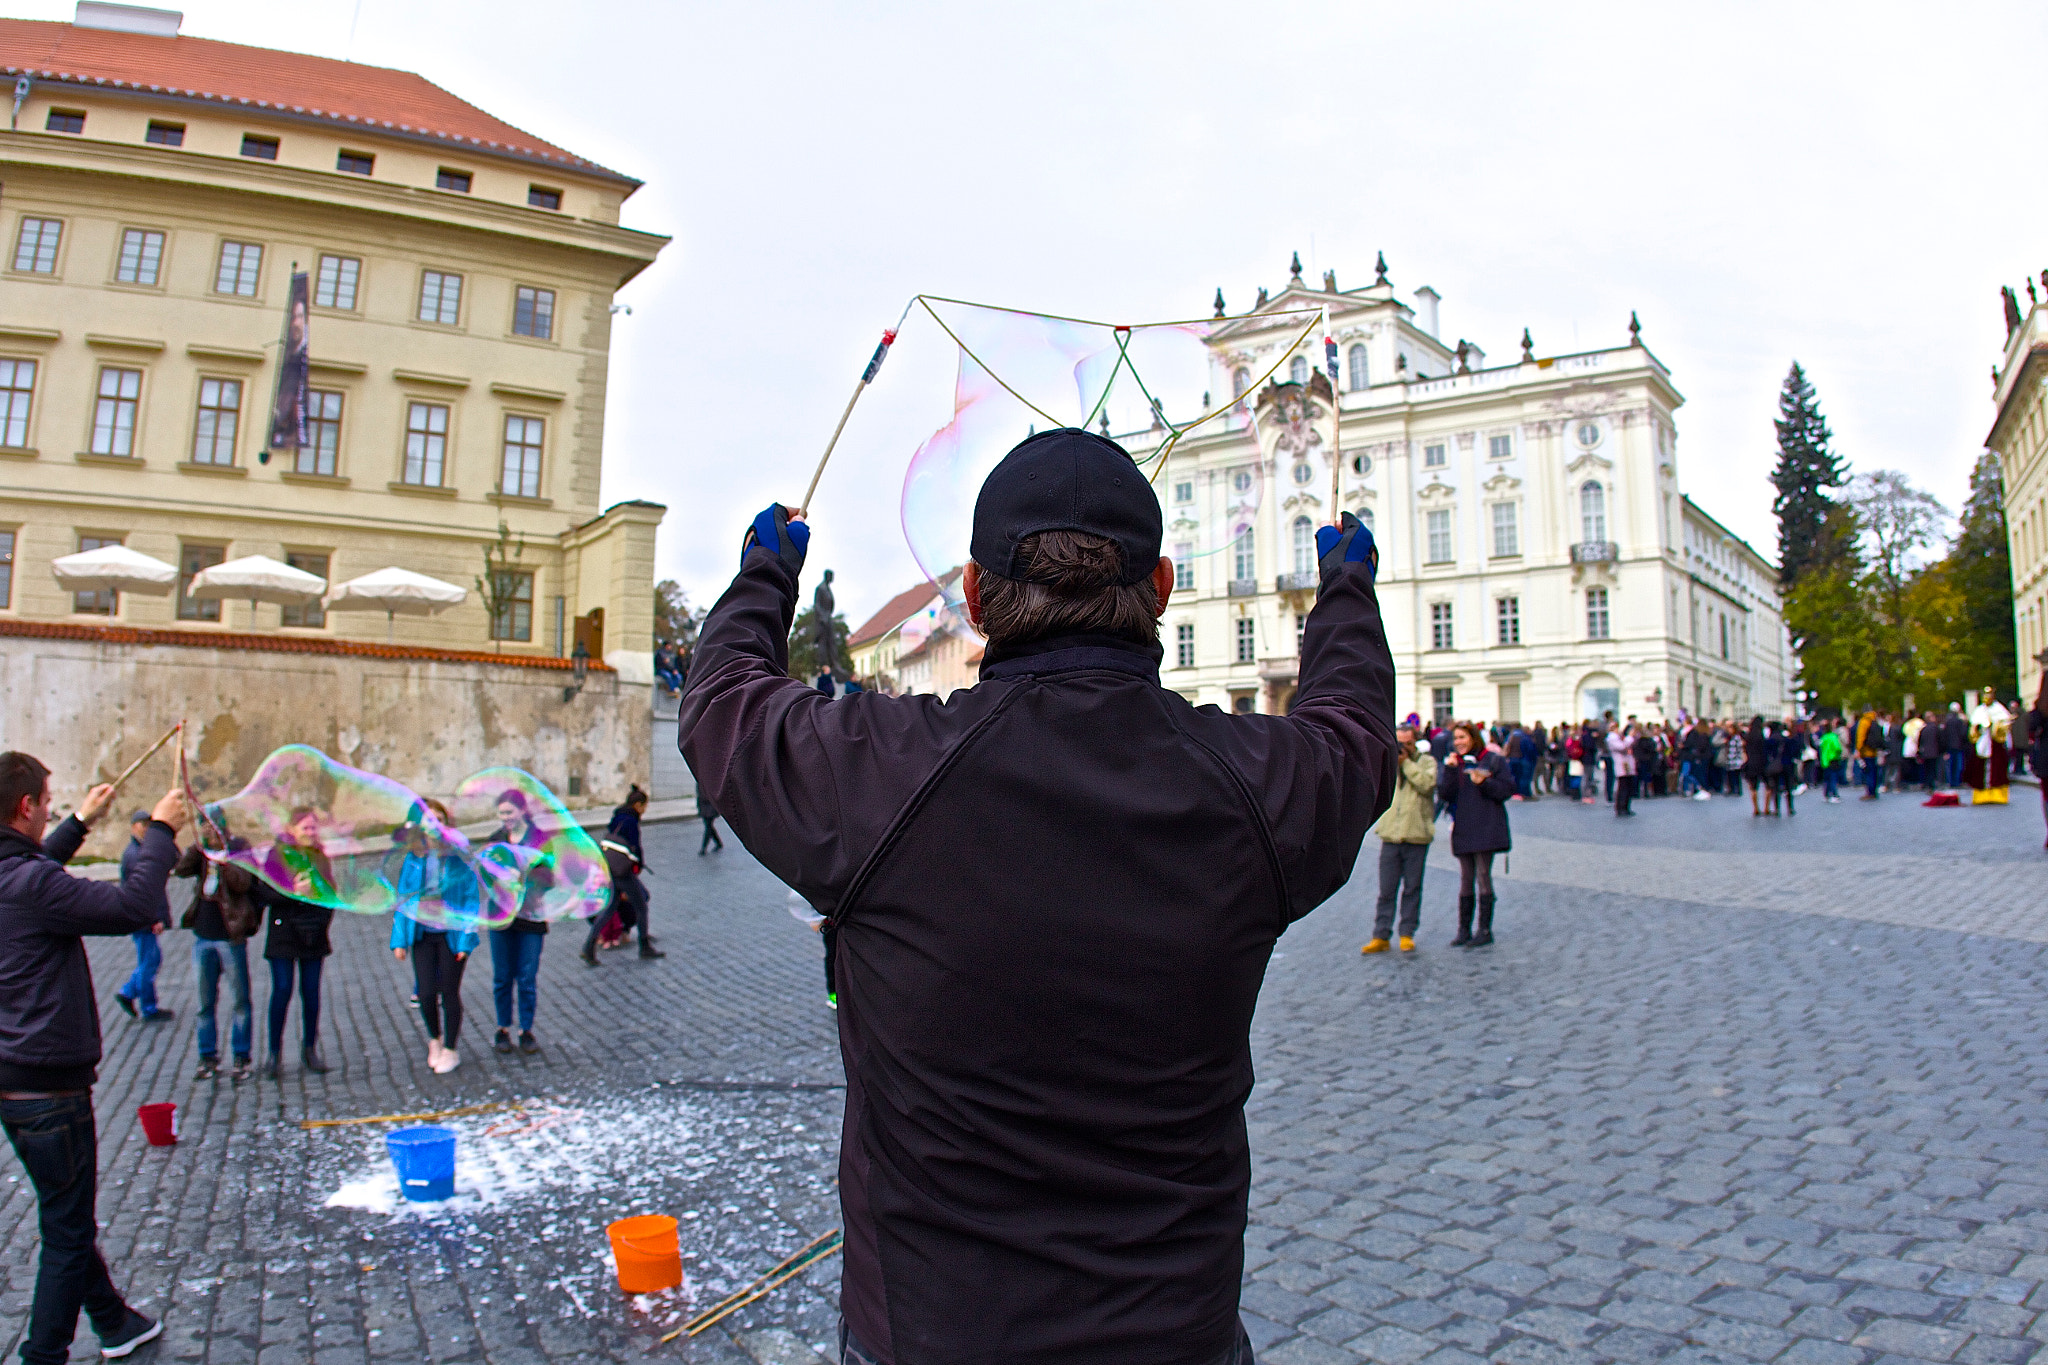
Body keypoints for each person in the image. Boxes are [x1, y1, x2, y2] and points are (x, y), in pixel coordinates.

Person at [678, 428, 1395, 1364]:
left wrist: (762, 577)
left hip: (934, 1331)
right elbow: (1352, 732)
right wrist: (1344, 594)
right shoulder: (1250, 785)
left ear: (974, 599)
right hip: (1170, 1331)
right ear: (1162, 590)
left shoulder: (883, 774)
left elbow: (724, 704)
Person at [0, 752, 185, 1363]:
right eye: (49, 800)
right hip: (47, 1086)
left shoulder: (13, 875)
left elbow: (31, 870)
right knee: (68, 1229)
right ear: (26, 806)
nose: (50, 807)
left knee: (65, 1210)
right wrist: (161, 831)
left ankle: (115, 1322)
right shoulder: (27, 885)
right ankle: (43, 1354)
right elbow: (134, 907)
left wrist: (80, 820)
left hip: (12, 1078)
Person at [385, 801, 479, 1074]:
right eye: (429, 820)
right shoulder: (414, 859)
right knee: (426, 993)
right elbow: (403, 899)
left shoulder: (457, 858)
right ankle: (434, 1041)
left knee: (449, 992)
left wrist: (465, 940)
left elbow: (471, 900)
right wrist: (399, 940)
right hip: (423, 934)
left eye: (439, 819)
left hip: (451, 934)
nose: (434, 825)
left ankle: (451, 1049)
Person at [173, 821, 256, 1082]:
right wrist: (198, 848)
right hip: (203, 936)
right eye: (203, 828)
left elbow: (242, 884)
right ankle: (207, 1057)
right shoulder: (201, 852)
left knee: (240, 1000)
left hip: (230, 937)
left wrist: (222, 859)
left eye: (210, 828)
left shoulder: (239, 849)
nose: (208, 833)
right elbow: (181, 870)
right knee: (204, 1003)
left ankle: (241, 1057)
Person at [257, 806, 335, 1077]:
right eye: (305, 828)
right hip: (284, 935)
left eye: (314, 828)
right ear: (292, 830)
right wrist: (294, 891)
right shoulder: (277, 856)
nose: (311, 833)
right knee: (282, 990)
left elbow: (330, 894)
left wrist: (320, 913)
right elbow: (265, 893)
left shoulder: (320, 857)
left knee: (311, 994)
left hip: (312, 934)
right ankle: (274, 1054)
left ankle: (310, 1050)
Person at [486, 789, 551, 1055]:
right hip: (501, 918)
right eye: (501, 813)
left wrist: (524, 879)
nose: (505, 818)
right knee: (502, 977)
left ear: (522, 811)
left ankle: (526, 1030)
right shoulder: (496, 840)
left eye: (509, 813)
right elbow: (486, 877)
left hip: (531, 918)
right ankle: (502, 1029)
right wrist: (499, 879)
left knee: (526, 977)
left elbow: (550, 880)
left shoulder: (538, 840)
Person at [1437, 721, 1512, 946]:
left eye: (1462, 737)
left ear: (1473, 737)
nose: (1458, 743)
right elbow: (1446, 794)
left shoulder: (1493, 759)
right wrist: (1449, 770)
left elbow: (1506, 790)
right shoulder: (1455, 763)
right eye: (1456, 738)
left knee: (1482, 875)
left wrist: (1484, 782)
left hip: (1486, 825)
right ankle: (1463, 930)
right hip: (1464, 825)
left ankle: (1484, 930)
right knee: (1465, 878)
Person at [1363, 725, 1436, 954]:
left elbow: (1427, 784)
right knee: (1386, 889)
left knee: (1412, 888)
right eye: (1399, 743)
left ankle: (1407, 933)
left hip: (1416, 835)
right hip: (1391, 835)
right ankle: (1380, 934)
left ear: (1416, 742)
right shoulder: (1388, 764)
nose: (1403, 748)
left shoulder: (1426, 762)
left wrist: (1407, 764)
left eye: (1407, 743)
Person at [581, 786, 662, 965]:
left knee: (610, 908)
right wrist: (638, 865)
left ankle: (589, 946)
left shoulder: (617, 817)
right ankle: (645, 946)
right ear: (638, 805)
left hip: (610, 869)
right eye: (644, 806)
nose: (644, 810)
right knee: (641, 906)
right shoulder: (631, 821)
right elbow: (635, 848)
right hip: (623, 872)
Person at [110, 812, 173, 1024]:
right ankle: (146, 1005)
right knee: (149, 961)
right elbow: (144, 892)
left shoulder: (139, 852)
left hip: (142, 917)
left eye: (148, 825)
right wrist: (154, 918)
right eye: (142, 825)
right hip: (143, 918)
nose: (146, 829)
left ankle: (129, 993)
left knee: (151, 960)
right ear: (133, 827)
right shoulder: (135, 856)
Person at [1965, 686, 2013, 805]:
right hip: (1982, 743)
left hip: (1995, 743)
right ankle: (1981, 795)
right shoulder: (1979, 710)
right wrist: (1980, 728)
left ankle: (1997, 795)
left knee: (1997, 768)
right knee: (1979, 769)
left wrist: (1994, 726)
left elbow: (2005, 724)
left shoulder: (1999, 709)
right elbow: (1973, 727)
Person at [1607, 721, 1637, 817]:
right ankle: (1621, 807)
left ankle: (1625, 807)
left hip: (1626, 764)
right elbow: (1623, 747)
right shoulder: (1612, 739)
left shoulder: (1618, 738)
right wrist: (1629, 737)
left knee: (1627, 786)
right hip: (1621, 764)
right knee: (1623, 787)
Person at [1853, 708, 1884, 800]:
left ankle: (1869, 792)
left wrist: (1858, 750)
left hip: (1866, 751)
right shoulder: (1875, 720)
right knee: (1874, 772)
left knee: (1868, 772)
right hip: (1874, 751)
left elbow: (1861, 737)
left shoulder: (1864, 721)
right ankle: (1874, 791)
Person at [1818, 720, 1844, 802]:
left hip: (1825, 760)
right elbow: (1838, 748)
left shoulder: (1823, 738)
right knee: (1833, 777)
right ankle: (1834, 794)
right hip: (1833, 759)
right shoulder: (1833, 737)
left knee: (1827, 778)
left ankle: (1826, 794)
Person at [696, 777, 724, 855]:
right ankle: (718, 843)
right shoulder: (700, 779)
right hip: (704, 806)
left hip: (710, 806)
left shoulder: (710, 780)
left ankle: (703, 848)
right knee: (709, 826)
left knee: (708, 826)